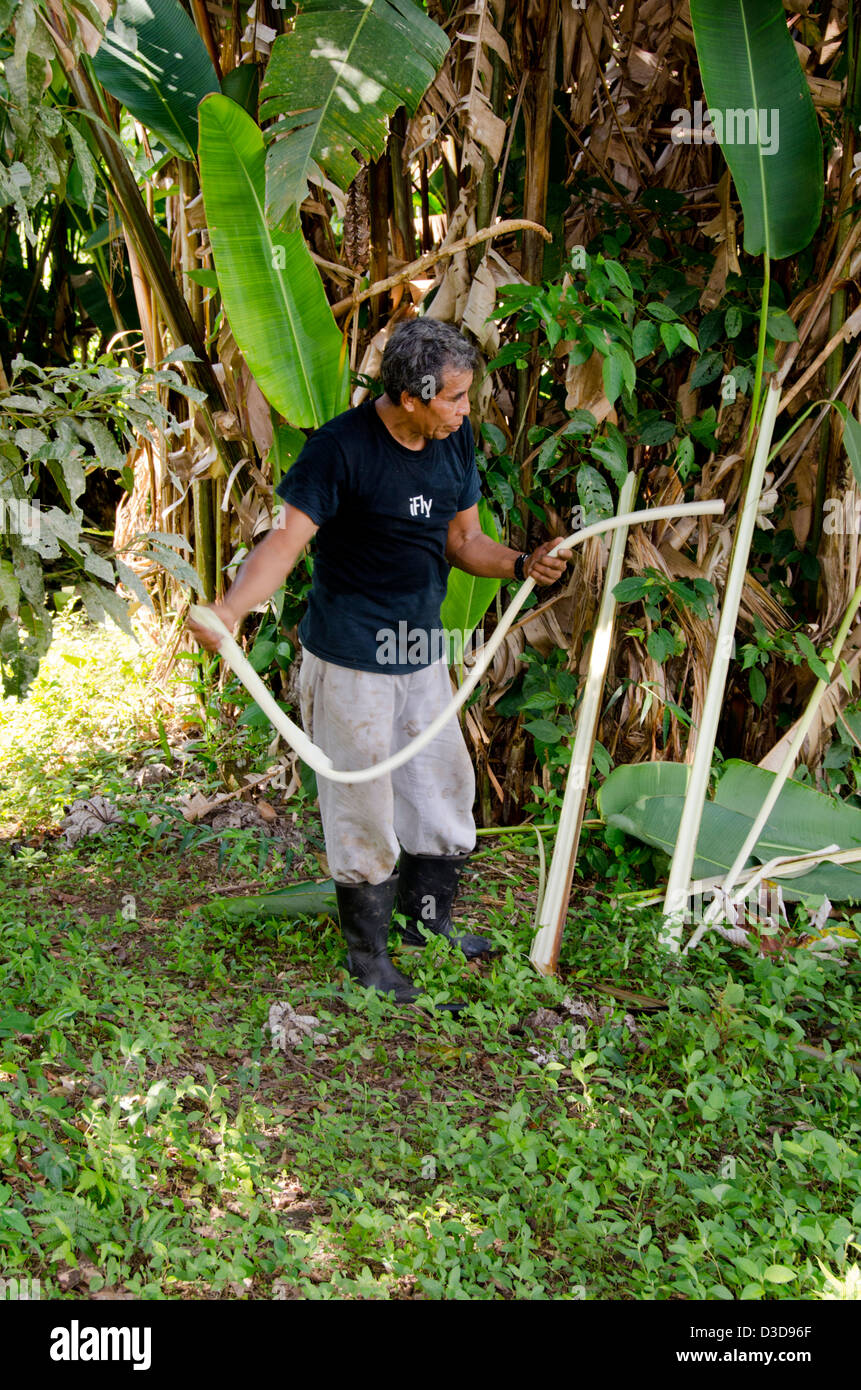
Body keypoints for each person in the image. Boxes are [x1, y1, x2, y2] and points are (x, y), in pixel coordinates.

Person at [188, 319, 569, 1004]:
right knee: (361, 801)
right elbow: (284, 543)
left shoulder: (453, 442)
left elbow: (464, 538)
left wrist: (519, 563)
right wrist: (232, 609)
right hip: (352, 658)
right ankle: (370, 961)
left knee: (440, 788)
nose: (463, 411)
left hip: (420, 649)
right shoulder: (339, 449)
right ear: (411, 394)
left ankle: (427, 925)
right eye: (452, 398)